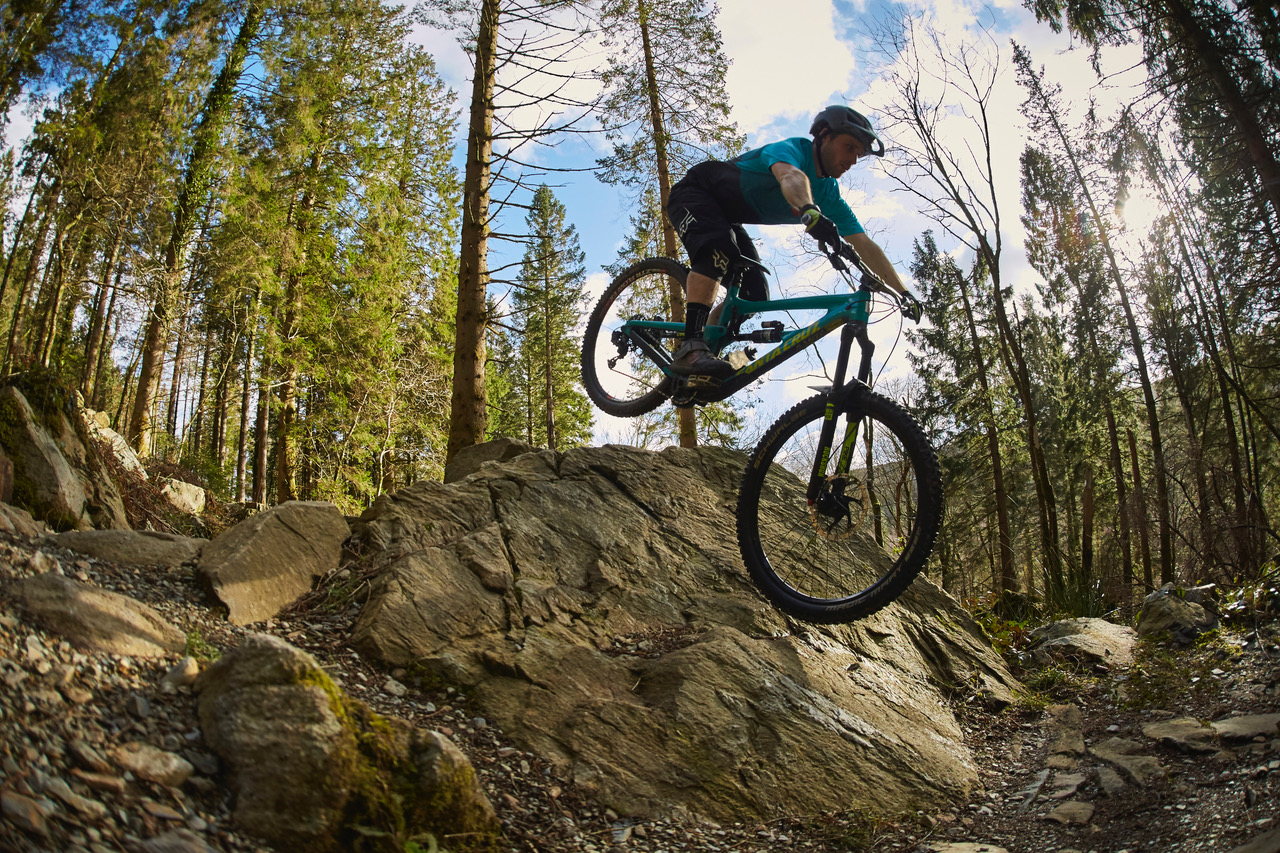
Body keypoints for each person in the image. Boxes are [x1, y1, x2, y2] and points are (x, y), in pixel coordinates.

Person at [665, 105, 922, 380]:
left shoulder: (829, 194)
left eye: (858, 154)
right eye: (849, 147)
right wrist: (809, 210)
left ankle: (706, 357)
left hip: (727, 217)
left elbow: (864, 243)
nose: (853, 160)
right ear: (824, 136)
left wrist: (903, 293)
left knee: (753, 296)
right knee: (718, 250)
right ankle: (690, 348)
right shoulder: (793, 150)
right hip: (694, 193)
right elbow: (791, 177)